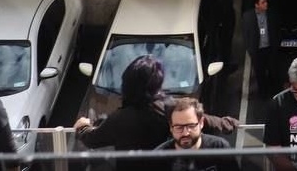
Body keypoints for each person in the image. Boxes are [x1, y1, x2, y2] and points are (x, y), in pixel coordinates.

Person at [76, 55, 237, 149]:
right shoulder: (167, 108)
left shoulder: (119, 119)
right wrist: (225, 123)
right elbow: (199, 118)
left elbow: (92, 139)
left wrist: (83, 126)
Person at [156, 97, 236, 171]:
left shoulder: (219, 148)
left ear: (201, 123)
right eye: (179, 127)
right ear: (171, 127)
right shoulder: (159, 156)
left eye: (191, 126)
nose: (185, 133)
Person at [242, 0, 279, 97]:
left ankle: (274, 93)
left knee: (273, 71)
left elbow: (276, 30)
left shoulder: (271, 14)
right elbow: (246, 35)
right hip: (257, 51)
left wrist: (275, 44)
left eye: (266, 1)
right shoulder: (248, 16)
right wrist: (250, 50)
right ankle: (263, 94)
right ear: (256, 5)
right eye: (263, 2)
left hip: (269, 49)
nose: (266, 4)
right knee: (260, 74)